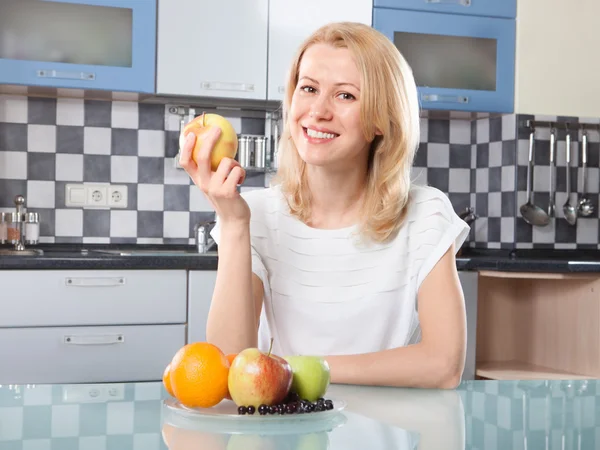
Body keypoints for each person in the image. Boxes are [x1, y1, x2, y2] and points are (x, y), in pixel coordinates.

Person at [179, 22, 470, 389]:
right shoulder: (257, 216)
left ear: (381, 118)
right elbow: (228, 367)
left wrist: (292, 369)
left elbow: (443, 366)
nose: (317, 111)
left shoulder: (425, 214)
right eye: (309, 88)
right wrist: (234, 225)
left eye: (345, 96)